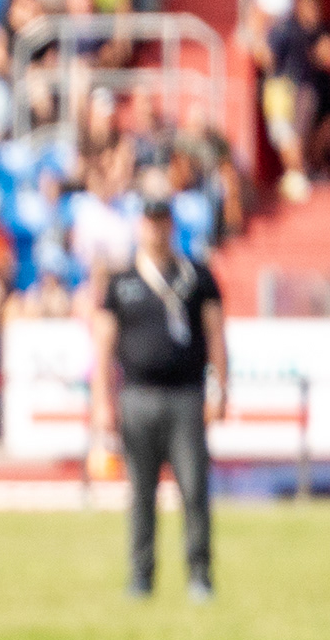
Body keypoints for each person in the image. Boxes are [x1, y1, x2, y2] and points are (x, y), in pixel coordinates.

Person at [86, 176, 227, 598]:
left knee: (194, 490)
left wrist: (219, 389)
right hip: (137, 396)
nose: (156, 227)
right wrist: (101, 402)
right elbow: (104, 346)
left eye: (162, 219)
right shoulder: (122, 282)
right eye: (149, 219)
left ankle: (199, 575)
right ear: (139, 225)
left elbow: (217, 337)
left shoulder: (197, 277)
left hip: (185, 394)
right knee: (141, 494)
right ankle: (140, 576)